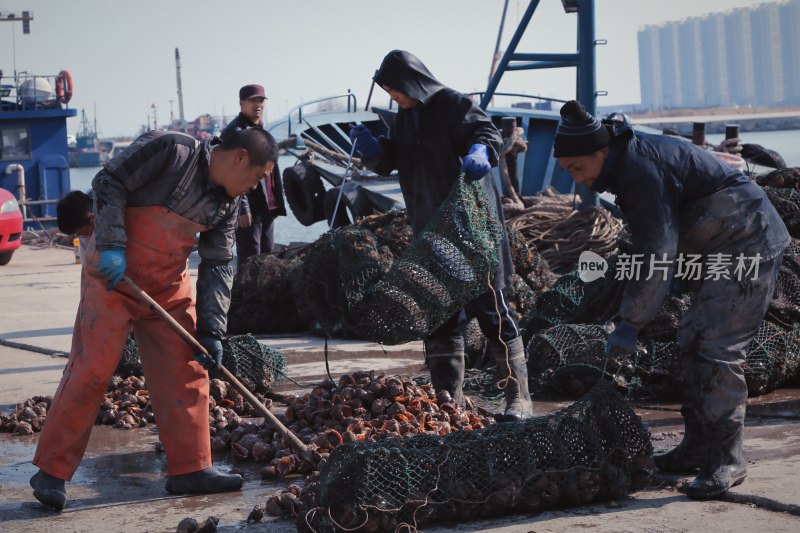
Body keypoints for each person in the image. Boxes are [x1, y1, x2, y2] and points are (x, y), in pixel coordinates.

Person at [29, 127, 278, 511]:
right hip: (114, 275)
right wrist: (111, 245)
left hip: (167, 286)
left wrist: (213, 331)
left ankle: (190, 469)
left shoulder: (227, 205)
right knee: (92, 369)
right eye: (257, 178)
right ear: (240, 158)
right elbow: (108, 180)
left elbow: (218, 264)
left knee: (187, 369)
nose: (253, 187)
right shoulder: (172, 151)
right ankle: (51, 472)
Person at [553, 100, 790, 500]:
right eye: (568, 172)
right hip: (714, 248)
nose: (577, 179)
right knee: (689, 338)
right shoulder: (627, 161)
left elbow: (657, 253)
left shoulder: (640, 171)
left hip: (749, 242)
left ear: (602, 152)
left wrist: (631, 321)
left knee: (716, 348)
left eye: (578, 168)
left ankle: (728, 458)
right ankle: (698, 445)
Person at [349, 50, 534, 420]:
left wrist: (482, 149)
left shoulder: (455, 104)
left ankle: (519, 397)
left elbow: (485, 132)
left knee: (493, 311)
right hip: (431, 236)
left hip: (472, 234)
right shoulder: (403, 118)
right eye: (388, 91)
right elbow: (392, 161)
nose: (393, 97)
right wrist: (374, 150)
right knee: (439, 315)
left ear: (411, 82)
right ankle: (448, 399)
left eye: (394, 89)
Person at [220, 84, 286, 269]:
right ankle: (244, 295)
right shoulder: (234, 133)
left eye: (261, 101)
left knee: (267, 251)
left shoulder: (261, 129)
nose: (258, 105)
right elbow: (230, 174)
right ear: (242, 103)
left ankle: (262, 294)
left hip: (268, 205)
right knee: (251, 255)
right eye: (252, 101)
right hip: (250, 205)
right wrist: (242, 207)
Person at [56, 190, 94, 264]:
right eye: (78, 234)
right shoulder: (84, 232)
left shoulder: (115, 216)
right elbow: (86, 265)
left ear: (91, 218)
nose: (83, 236)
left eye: (82, 233)